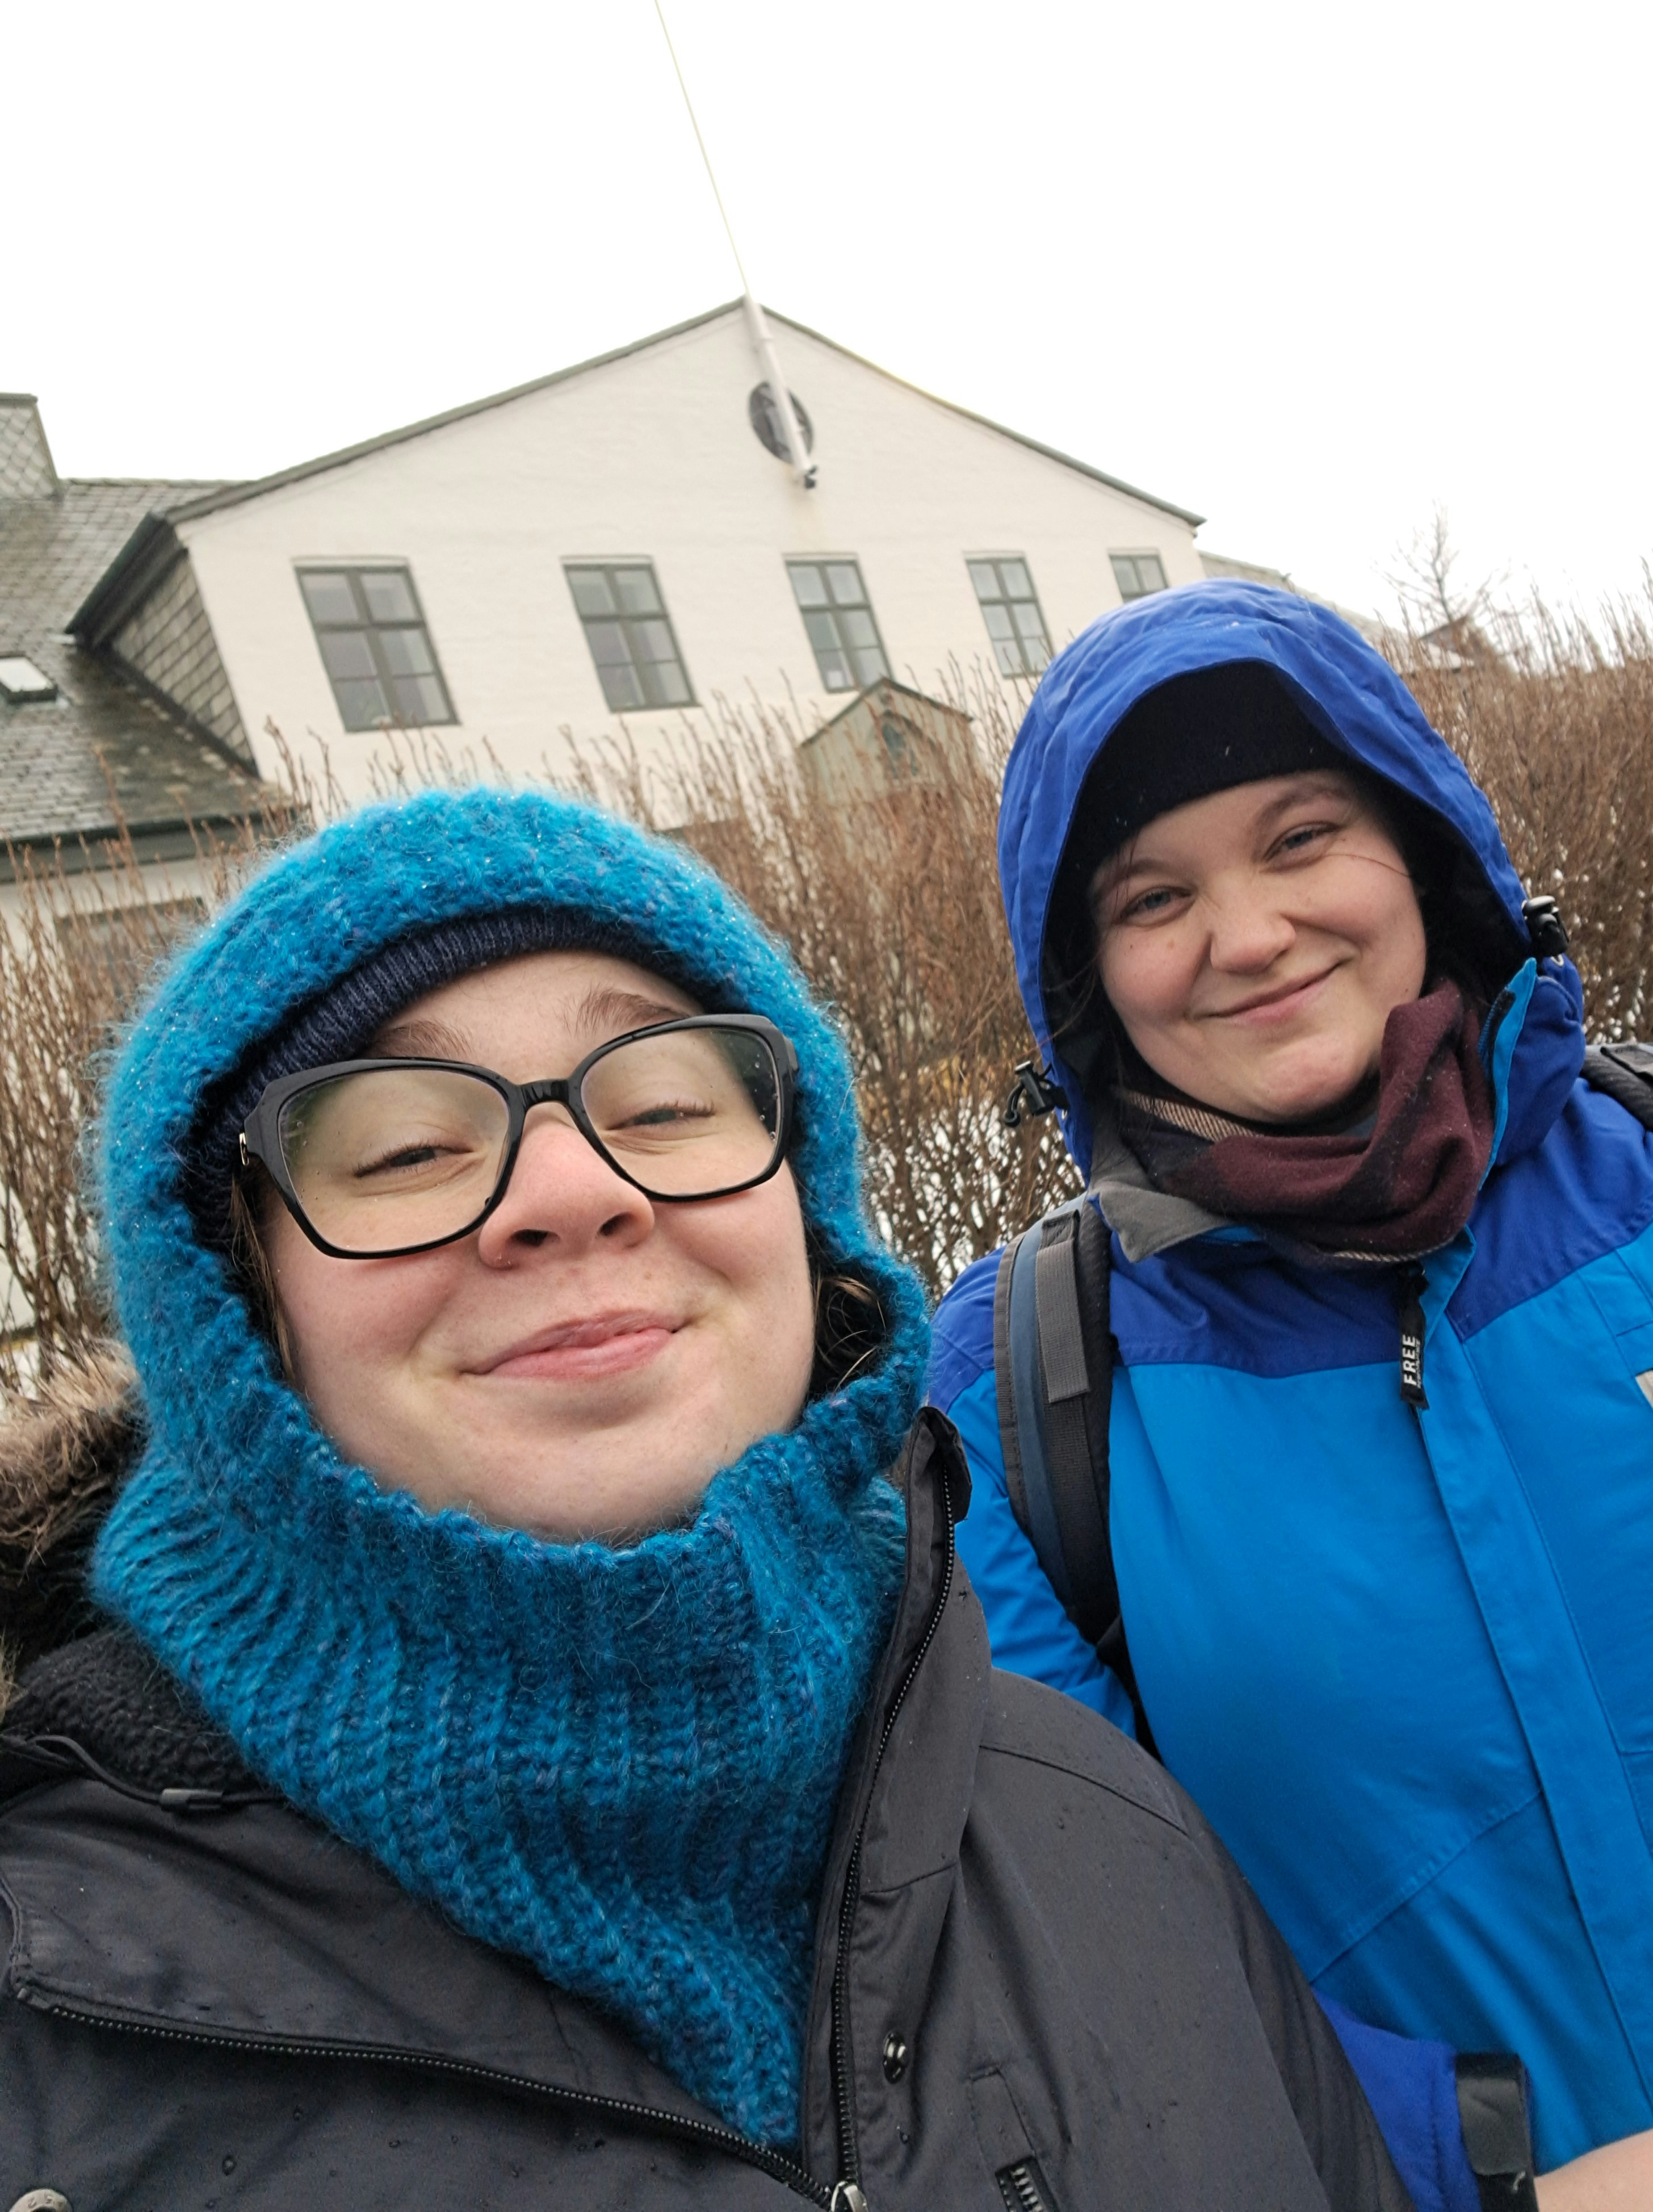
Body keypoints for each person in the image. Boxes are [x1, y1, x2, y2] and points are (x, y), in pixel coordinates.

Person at [0, 785, 1413, 2210]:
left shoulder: (1106, 1824)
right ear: (234, 1301)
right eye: (407, 1148)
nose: (568, 1188)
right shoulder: (43, 2028)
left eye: (664, 1102)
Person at [929, 580, 1653, 2211]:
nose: (1248, 934)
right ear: (1088, 975)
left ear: (1422, 854)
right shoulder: (1015, 1405)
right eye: (1155, 895)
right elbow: (1084, 1967)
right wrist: (1485, 2177)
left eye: (1303, 838)